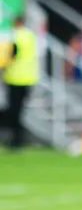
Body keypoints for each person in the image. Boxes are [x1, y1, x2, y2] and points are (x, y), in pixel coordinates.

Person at [2, 15, 37, 149]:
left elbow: (11, 54)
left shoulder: (14, 36)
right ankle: (18, 139)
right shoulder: (30, 35)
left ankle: (15, 140)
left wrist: (3, 67)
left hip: (14, 77)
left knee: (14, 111)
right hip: (29, 77)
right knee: (19, 111)